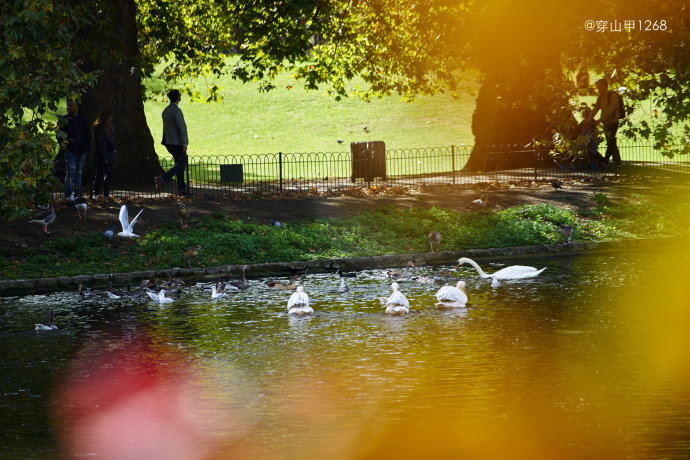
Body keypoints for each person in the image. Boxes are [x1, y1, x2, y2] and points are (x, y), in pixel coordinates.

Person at [155, 89, 189, 196]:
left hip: (169, 142)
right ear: (178, 97)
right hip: (177, 143)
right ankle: (162, 179)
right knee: (181, 165)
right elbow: (181, 127)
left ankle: (181, 189)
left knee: (179, 164)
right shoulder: (176, 110)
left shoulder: (166, 110)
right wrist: (184, 143)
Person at [59, 99, 90, 200]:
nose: (69, 108)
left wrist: (86, 148)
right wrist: (65, 145)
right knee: (70, 173)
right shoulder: (64, 119)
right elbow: (59, 135)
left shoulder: (82, 119)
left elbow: (86, 134)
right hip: (71, 150)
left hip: (81, 150)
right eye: (68, 106)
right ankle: (69, 195)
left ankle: (76, 194)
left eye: (71, 106)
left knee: (79, 173)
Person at [586, 78, 622, 166]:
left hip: (613, 122)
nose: (598, 88)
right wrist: (588, 120)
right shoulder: (600, 96)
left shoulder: (612, 96)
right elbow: (596, 109)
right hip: (606, 122)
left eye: (599, 86)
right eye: (597, 86)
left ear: (605, 86)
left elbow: (610, 110)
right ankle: (616, 161)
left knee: (610, 140)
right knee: (611, 141)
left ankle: (606, 160)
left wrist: (600, 120)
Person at [91, 108, 116, 199]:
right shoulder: (99, 127)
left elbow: (112, 142)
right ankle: (96, 193)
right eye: (110, 117)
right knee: (100, 175)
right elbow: (100, 143)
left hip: (110, 154)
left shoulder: (111, 128)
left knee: (108, 175)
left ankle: (106, 194)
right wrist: (105, 156)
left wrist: (112, 154)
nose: (111, 118)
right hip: (101, 155)